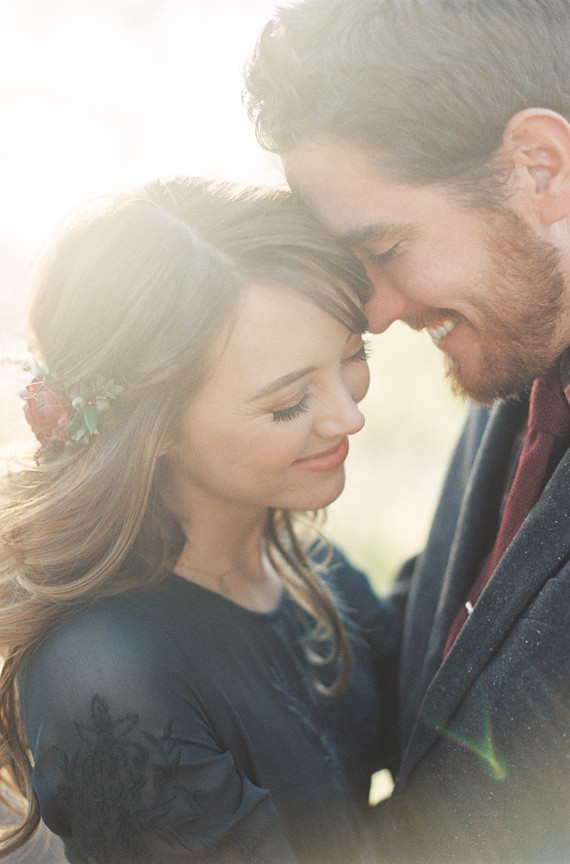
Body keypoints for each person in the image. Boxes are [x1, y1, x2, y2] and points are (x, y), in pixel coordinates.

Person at [243, 0, 570, 862]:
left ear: (541, 168)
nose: (377, 313)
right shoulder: (522, 345)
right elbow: (448, 656)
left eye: (386, 249)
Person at [0, 177, 403, 864]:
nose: (349, 416)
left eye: (352, 357)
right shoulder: (105, 676)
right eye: (287, 402)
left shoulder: (312, 572)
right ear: (152, 430)